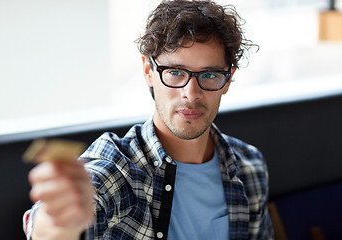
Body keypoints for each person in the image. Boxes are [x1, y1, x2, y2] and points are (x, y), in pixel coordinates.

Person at [24, 0, 274, 239]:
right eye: (175, 72)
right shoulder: (117, 167)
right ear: (148, 71)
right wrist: (57, 225)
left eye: (209, 74)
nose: (191, 93)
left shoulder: (249, 166)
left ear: (227, 79)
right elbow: (58, 221)